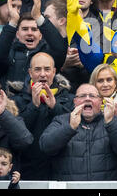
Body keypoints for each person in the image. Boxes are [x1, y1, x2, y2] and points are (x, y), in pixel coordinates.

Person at [39, 83, 117, 181]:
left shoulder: (110, 121)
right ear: (75, 102)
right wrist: (70, 127)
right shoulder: (61, 120)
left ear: (100, 101)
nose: (87, 99)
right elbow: (46, 146)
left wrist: (111, 123)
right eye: (82, 96)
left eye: (92, 96)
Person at [10, 52, 74, 180]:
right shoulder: (16, 101)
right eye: (37, 69)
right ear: (30, 73)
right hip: (29, 171)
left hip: (62, 169)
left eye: (47, 69)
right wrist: (33, 106)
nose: (43, 74)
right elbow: (17, 136)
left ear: (54, 72)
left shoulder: (69, 99)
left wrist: (54, 107)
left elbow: (72, 130)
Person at [0, 0, 67, 89]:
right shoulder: (9, 54)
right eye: (25, 29)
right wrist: (13, 22)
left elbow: (60, 49)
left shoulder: (48, 54)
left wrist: (38, 17)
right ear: (17, 34)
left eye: (34, 29)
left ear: (40, 35)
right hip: (12, 102)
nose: (30, 33)